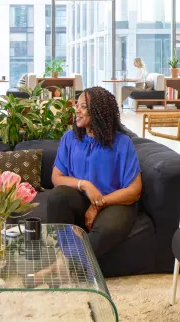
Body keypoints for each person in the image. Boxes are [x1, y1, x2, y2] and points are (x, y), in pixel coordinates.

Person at [46, 86, 142, 259]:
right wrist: (84, 185)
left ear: (99, 112)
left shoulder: (122, 143)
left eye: (83, 107)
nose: (77, 110)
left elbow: (134, 190)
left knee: (109, 228)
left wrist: (98, 205)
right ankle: (66, 258)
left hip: (114, 202)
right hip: (80, 198)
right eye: (77, 105)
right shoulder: (70, 138)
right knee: (57, 196)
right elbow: (56, 177)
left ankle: (63, 265)